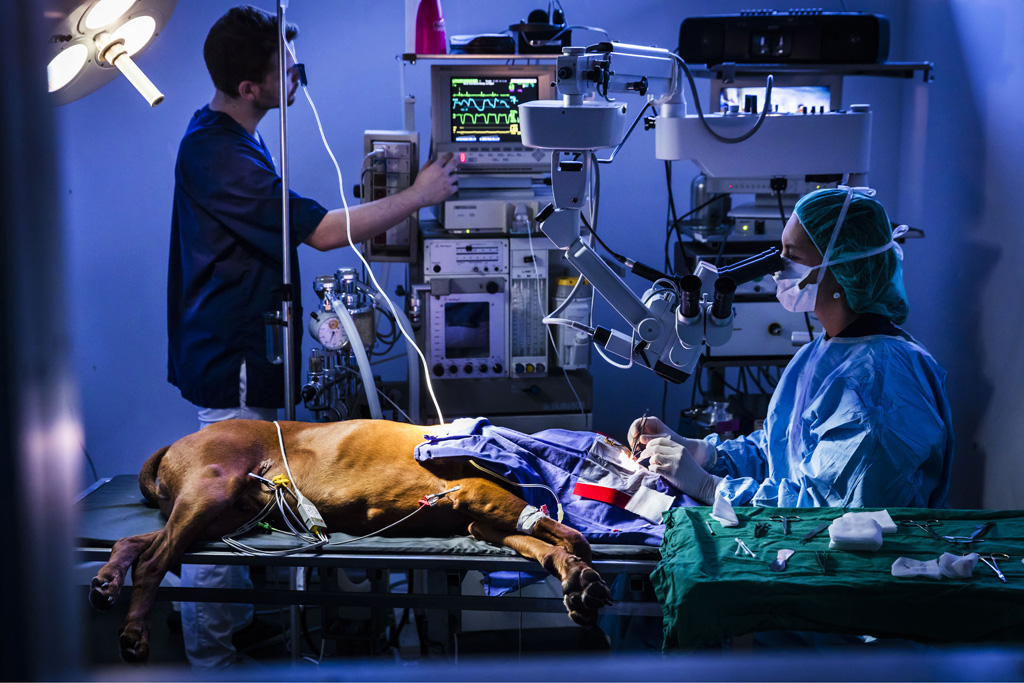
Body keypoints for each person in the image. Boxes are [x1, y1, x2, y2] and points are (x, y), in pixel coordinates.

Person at [166, 5, 456, 669]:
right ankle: (211, 662)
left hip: (245, 348)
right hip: (231, 359)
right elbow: (323, 231)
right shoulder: (217, 155)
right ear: (250, 88)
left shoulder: (231, 131)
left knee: (241, 506)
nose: (297, 74)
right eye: (281, 69)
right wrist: (420, 193)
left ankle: (235, 636)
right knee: (215, 516)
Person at [630, 187, 953, 510]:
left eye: (793, 257)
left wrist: (709, 486)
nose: (778, 268)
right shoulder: (823, 351)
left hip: (861, 555)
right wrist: (701, 453)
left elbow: (825, 509)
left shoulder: (876, 391)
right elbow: (779, 450)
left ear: (843, 271)